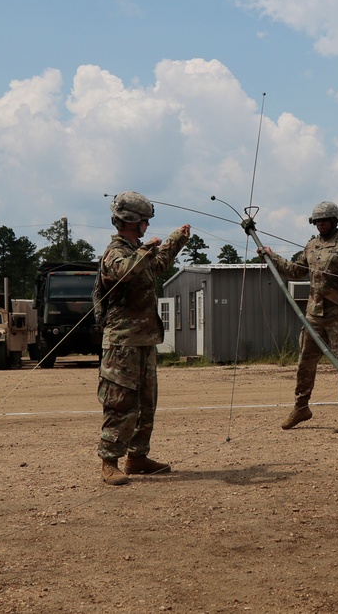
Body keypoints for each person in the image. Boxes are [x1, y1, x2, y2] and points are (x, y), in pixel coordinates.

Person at [95, 191, 191, 485]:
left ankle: (136, 457)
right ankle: (109, 462)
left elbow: (156, 266)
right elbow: (125, 272)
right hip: (122, 344)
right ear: (131, 222)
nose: (147, 227)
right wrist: (147, 249)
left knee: (147, 403)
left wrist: (177, 240)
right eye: (145, 222)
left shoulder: (137, 250)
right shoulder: (116, 253)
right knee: (121, 403)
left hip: (144, 341)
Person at [258, 201, 338, 433]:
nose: (320, 224)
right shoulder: (311, 246)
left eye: (324, 220)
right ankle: (301, 407)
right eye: (317, 221)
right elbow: (295, 271)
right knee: (305, 362)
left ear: (334, 221)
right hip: (314, 315)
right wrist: (271, 256)